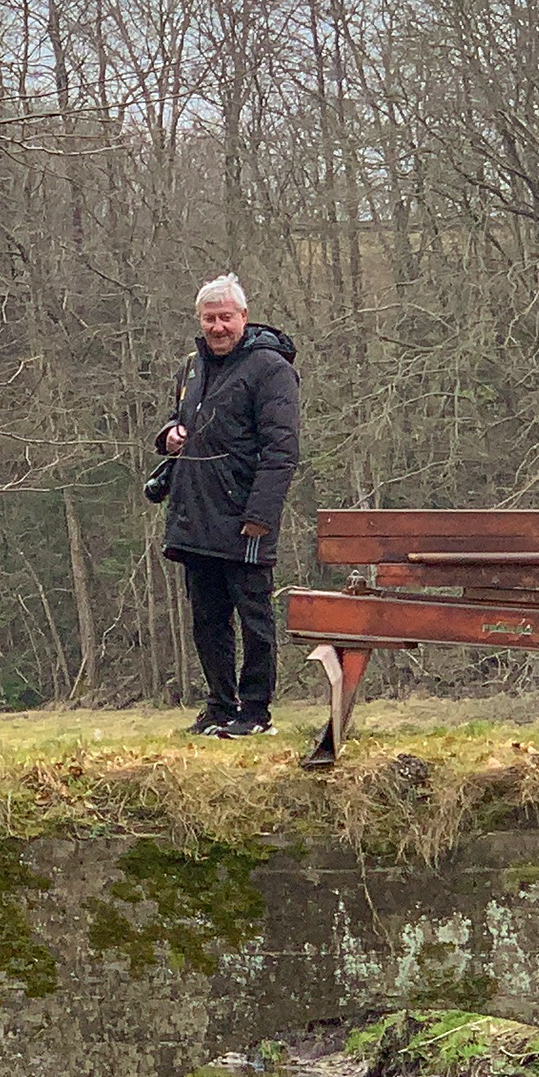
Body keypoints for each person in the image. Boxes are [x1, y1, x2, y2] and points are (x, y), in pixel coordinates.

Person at [153, 275, 300, 737]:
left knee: (254, 618)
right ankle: (218, 705)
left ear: (243, 317)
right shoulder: (192, 367)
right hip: (194, 515)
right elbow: (183, 421)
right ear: (200, 320)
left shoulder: (270, 368)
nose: (218, 327)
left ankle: (255, 711)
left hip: (245, 520)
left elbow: (282, 449)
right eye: (209, 318)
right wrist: (169, 436)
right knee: (207, 620)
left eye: (226, 318)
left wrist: (260, 515)